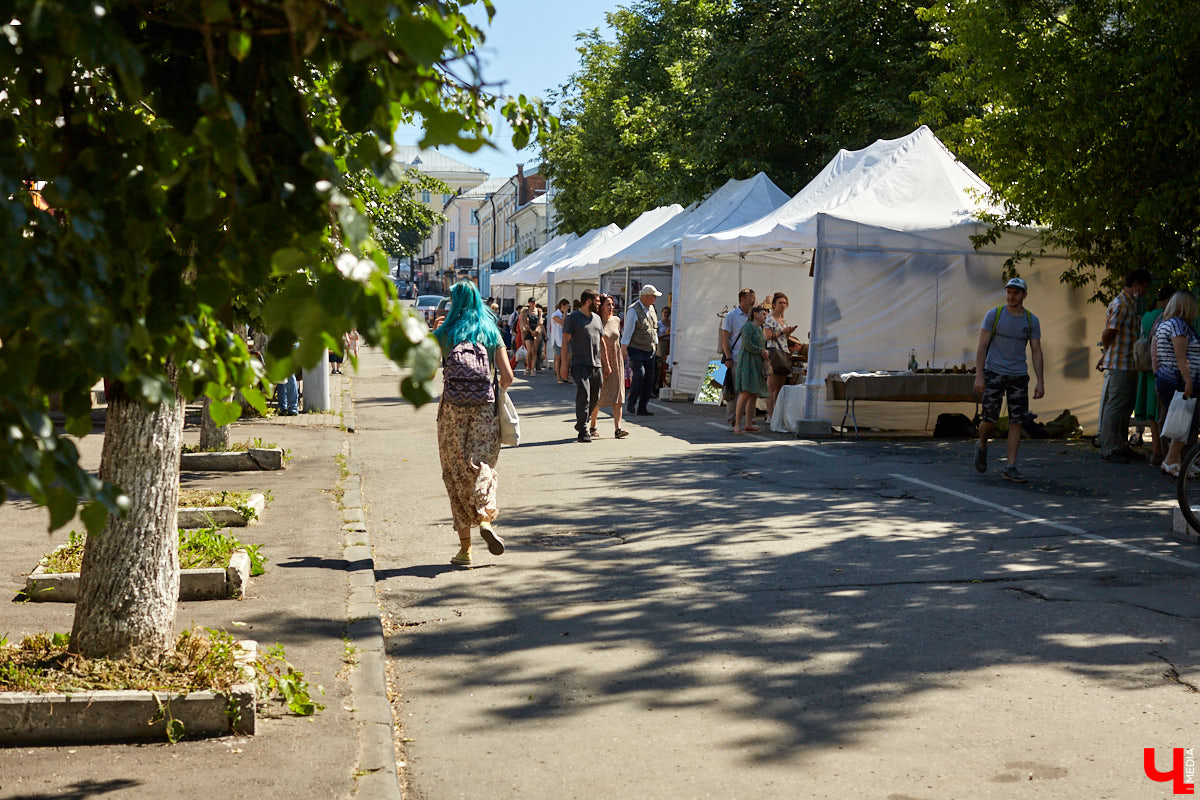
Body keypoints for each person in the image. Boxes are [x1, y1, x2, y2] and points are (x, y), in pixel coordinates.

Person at [433, 281, 514, 568]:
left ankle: (465, 550)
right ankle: (484, 518)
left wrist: (435, 333)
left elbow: (427, 369)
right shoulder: (491, 332)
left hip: (452, 413)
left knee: (455, 473)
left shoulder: (445, 333)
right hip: (484, 412)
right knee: (483, 468)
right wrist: (496, 390)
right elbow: (508, 375)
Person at [972, 277, 1045, 482]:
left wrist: (1040, 381)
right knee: (989, 419)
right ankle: (982, 445)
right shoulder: (994, 315)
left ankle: (1011, 466)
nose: (1011, 296)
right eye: (1009, 292)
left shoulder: (1031, 320)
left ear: (1024, 295)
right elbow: (982, 346)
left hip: (1018, 375)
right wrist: (979, 375)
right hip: (994, 372)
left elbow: (1036, 350)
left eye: (1016, 293)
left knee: (1017, 421)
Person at [1098, 268, 1153, 462]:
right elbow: (1108, 332)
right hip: (1120, 363)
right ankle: (1109, 448)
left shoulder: (1130, 304)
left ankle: (1119, 445)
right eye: (1144, 286)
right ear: (1136, 284)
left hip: (1127, 363)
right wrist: (1108, 354)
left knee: (1124, 406)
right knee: (1115, 406)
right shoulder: (1121, 304)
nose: (1145, 291)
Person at [1153, 291, 1200, 476]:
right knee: (1184, 422)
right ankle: (1171, 460)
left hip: (1168, 378)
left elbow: (1155, 353)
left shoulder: (1164, 324)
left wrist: (1158, 375)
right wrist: (1188, 381)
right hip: (1179, 381)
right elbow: (1180, 357)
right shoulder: (1179, 326)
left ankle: (1178, 461)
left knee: (1178, 421)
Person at [560, 289, 604, 442]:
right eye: (597, 301)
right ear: (588, 301)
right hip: (579, 363)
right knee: (583, 395)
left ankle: (581, 423)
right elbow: (565, 342)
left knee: (595, 397)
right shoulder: (573, 318)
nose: (599, 304)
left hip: (596, 365)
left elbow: (601, 342)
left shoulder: (597, 318)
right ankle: (583, 430)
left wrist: (606, 363)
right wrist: (564, 365)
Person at [1137, 286, 1174, 465]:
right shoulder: (1166, 317)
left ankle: (1156, 450)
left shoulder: (1146, 316)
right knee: (1162, 411)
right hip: (1159, 368)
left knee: (1152, 413)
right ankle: (1164, 453)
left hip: (1145, 368)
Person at [590, 294, 629, 439]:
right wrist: (603, 364)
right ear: (601, 306)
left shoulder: (616, 320)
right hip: (600, 360)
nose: (611, 307)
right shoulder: (596, 321)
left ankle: (618, 428)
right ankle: (593, 426)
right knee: (598, 395)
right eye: (608, 304)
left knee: (618, 394)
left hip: (616, 359)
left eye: (612, 304)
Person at [621, 284, 661, 416]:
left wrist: (656, 345)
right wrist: (624, 348)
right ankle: (631, 402)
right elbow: (628, 330)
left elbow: (653, 329)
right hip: (636, 349)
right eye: (653, 296)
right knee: (639, 375)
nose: (655, 299)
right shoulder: (633, 310)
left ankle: (642, 407)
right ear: (645, 297)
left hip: (650, 350)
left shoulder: (651, 309)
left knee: (650, 379)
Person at [720, 288, 756, 427]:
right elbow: (725, 339)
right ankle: (733, 419)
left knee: (750, 390)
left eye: (754, 298)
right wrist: (728, 357)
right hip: (736, 357)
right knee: (734, 390)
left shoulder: (754, 316)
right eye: (750, 298)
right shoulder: (731, 316)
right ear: (742, 299)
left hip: (751, 359)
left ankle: (749, 420)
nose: (753, 300)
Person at [733, 305, 769, 433]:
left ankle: (749, 423)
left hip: (756, 362)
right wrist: (761, 351)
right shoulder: (748, 327)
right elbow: (747, 344)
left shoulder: (759, 329)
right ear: (755, 314)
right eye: (763, 314)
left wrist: (763, 353)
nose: (765, 316)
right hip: (747, 362)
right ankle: (737, 424)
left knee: (753, 393)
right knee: (745, 392)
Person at [763, 292, 798, 420]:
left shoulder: (782, 320)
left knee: (779, 387)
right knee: (771, 387)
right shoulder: (769, 318)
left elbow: (783, 338)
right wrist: (782, 331)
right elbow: (766, 336)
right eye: (780, 303)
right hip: (773, 353)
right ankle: (770, 414)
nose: (783, 305)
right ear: (774, 305)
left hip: (783, 353)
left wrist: (788, 333)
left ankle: (776, 415)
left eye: (785, 303)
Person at [519, 298, 543, 375]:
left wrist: (536, 330)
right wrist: (530, 330)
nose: (533, 303)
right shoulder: (525, 311)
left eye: (534, 302)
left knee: (534, 351)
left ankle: (533, 368)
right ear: (529, 303)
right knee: (529, 350)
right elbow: (524, 322)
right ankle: (528, 367)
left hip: (536, 332)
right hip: (528, 332)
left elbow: (540, 321)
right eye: (531, 302)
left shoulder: (539, 311)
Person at [551, 298, 570, 384]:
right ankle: (558, 378)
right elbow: (563, 323)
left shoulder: (566, 314)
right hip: (557, 339)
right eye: (566, 307)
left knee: (568, 357)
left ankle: (565, 376)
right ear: (562, 306)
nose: (567, 308)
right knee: (558, 358)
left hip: (565, 339)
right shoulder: (555, 314)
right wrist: (565, 313)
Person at [655, 305, 671, 394]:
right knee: (659, 366)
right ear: (662, 313)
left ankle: (665, 383)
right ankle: (657, 386)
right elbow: (656, 337)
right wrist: (666, 334)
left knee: (666, 366)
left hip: (668, 346)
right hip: (661, 346)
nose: (666, 314)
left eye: (668, 313)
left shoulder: (670, 323)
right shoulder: (659, 324)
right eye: (665, 312)